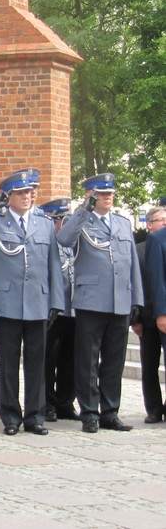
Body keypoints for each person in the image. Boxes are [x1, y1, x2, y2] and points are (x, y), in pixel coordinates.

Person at [0, 171, 64, 435]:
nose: (28, 196)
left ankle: (35, 417)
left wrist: (56, 300)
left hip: (37, 300)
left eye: (30, 191)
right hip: (8, 301)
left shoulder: (44, 224)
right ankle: (11, 417)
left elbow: (53, 264)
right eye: (21, 192)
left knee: (36, 363)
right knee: (8, 363)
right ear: (9, 196)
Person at [58, 172, 142, 433]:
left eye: (109, 193)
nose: (107, 197)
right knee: (88, 360)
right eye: (101, 194)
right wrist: (84, 209)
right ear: (90, 196)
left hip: (119, 300)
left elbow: (132, 264)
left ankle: (110, 411)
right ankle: (90, 412)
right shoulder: (79, 220)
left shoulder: (122, 223)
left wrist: (136, 298)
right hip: (90, 301)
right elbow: (64, 240)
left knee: (114, 360)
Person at [39, 197, 79, 421]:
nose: (63, 223)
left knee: (70, 358)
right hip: (53, 308)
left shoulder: (71, 242)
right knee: (48, 359)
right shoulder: (46, 243)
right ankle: (47, 403)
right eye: (60, 219)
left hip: (74, 308)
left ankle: (66, 402)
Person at [138, 206, 166, 422]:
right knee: (149, 365)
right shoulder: (139, 249)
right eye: (160, 219)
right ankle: (154, 409)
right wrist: (136, 318)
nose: (164, 222)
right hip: (148, 317)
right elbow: (138, 285)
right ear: (149, 224)